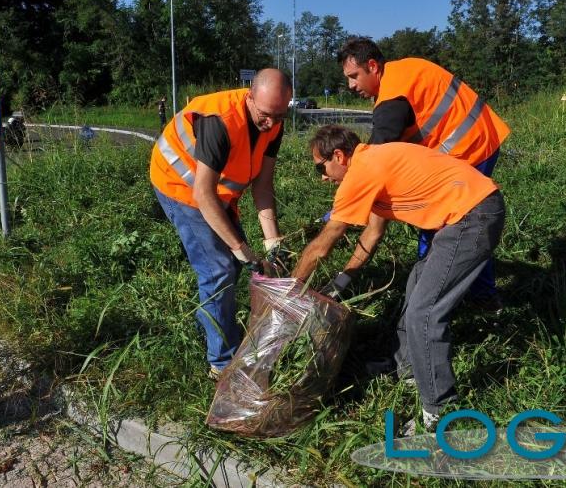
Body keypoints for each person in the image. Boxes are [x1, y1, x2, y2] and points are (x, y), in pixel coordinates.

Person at [293, 125, 505, 428]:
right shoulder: (374, 164)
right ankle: (408, 371)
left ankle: (439, 412)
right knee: (415, 285)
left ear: (338, 155)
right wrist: (342, 282)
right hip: (467, 215)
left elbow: (322, 246)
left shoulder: (361, 172)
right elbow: (373, 234)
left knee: (425, 313)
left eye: (320, 168)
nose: (323, 177)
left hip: (473, 216)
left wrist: (288, 290)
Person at [332, 37, 511, 304]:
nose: (351, 85)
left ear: (372, 66)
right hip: (479, 135)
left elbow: (375, 161)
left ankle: (467, 298)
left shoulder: (392, 96)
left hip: (470, 147)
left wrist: (353, 200)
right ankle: (465, 293)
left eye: (354, 76)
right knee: (457, 225)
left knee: (447, 223)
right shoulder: (402, 73)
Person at [150, 69, 291, 378]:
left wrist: (272, 243)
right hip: (179, 183)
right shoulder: (221, 122)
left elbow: (263, 186)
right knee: (219, 268)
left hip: (216, 192)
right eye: (267, 115)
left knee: (233, 266)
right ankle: (222, 364)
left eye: (281, 115)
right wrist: (240, 247)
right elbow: (202, 193)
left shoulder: (274, 124)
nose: (272, 123)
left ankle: (217, 321)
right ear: (250, 96)